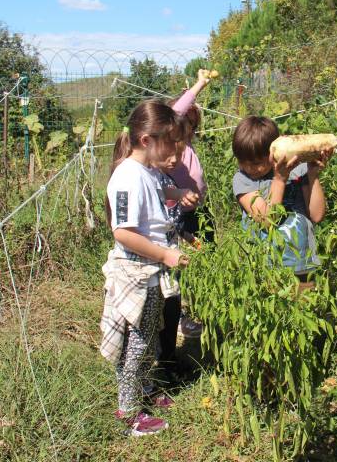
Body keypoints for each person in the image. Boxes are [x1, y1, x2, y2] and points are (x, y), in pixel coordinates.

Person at [100, 99, 199, 436]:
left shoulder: (151, 171)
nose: (176, 151)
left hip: (151, 269)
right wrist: (165, 255)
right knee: (138, 342)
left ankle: (144, 390)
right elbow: (123, 232)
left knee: (150, 333)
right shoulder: (127, 177)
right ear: (147, 140)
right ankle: (129, 413)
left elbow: (159, 191)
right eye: (171, 142)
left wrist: (179, 191)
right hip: (137, 271)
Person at [231, 116, 332, 284]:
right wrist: (279, 180)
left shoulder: (297, 169)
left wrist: (313, 175)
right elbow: (266, 221)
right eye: (242, 161)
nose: (249, 168)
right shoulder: (243, 180)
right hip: (266, 268)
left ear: (274, 153)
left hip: (303, 264)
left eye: (256, 163)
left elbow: (316, 215)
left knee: (305, 306)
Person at [163, 70, 213, 341]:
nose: (190, 128)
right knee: (188, 263)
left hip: (199, 212)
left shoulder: (188, 145)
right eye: (186, 123)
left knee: (208, 253)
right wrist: (199, 85)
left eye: (194, 124)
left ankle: (205, 307)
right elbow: (175, 113)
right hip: (180, 216)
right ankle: (187, 315)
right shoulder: (172, 146)